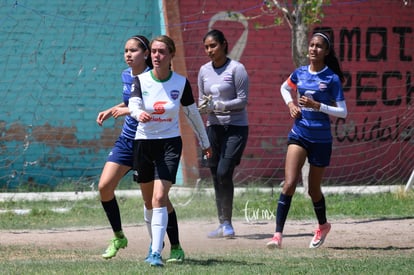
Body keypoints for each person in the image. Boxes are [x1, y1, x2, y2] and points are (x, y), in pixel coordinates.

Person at [96, 35, 185, 262]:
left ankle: (173, 246)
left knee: (157, 200)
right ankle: (119, 237)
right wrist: (111, 109)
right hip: (127, 140)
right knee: (104, 187)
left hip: (148, 141)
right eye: (125, 50)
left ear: (146, 53)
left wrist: (128, 111)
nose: (128, 54)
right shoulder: (126, 75)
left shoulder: (154, 76)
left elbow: (154, 106)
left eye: (133, 50)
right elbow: (129, 102)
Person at [128, 35, 212, 267]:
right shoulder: (141, 81)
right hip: (144, 143)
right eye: (153, 51)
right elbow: (133, 104)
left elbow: (192, 114)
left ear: (171, 55)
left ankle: (155, 253)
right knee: (148, 202)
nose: (156, 56)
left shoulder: (180, 83)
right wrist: (137, 114)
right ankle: (160, 244)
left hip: (169, 144)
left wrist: (205, 143)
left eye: (161, 51)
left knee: (159, 197)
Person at [266, 32, 348, 249]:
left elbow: (343, 112)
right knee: (290, 183)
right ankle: (277, 236)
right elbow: (284, 88)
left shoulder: (332, 78)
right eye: (311, 45)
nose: (314, 49)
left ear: (326, 51)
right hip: (299, 133)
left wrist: (317, 106)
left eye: (319, 46)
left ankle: (323, 225)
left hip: (321, 139)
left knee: (313, 190)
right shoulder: (299, 73)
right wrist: (291, 105)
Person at [197, 29, 249, 238]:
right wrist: (202, 107)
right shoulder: (203, 70)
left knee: (223, 172)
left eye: (213, 46)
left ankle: (228, 223)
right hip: (213, 128)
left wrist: (221, 105)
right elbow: (202, 99)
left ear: (224, 44)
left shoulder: (237, 69)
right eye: (206, 47)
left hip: (235, 128)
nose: (209, 50)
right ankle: (222, 224)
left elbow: (243, 101)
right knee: (213, 174)